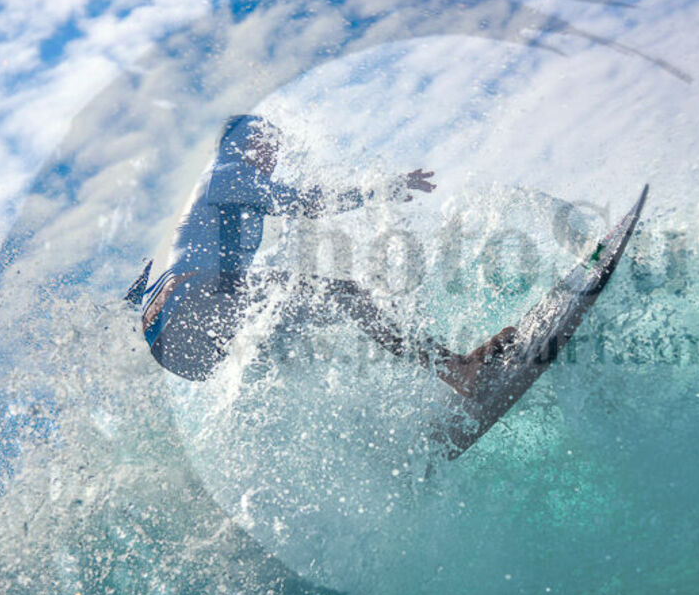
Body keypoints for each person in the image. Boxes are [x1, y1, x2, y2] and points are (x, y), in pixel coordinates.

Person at [126, 114, 515, 394]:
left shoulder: (198, 205)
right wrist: (378, 189)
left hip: (177, 346)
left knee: (285, 346)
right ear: (240, 141)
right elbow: (306, 203)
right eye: (266, 143)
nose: (272, 156)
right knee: (345, 295)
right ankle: (457, 370)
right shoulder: (227, 171)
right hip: (195, 300)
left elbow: (139, 287)